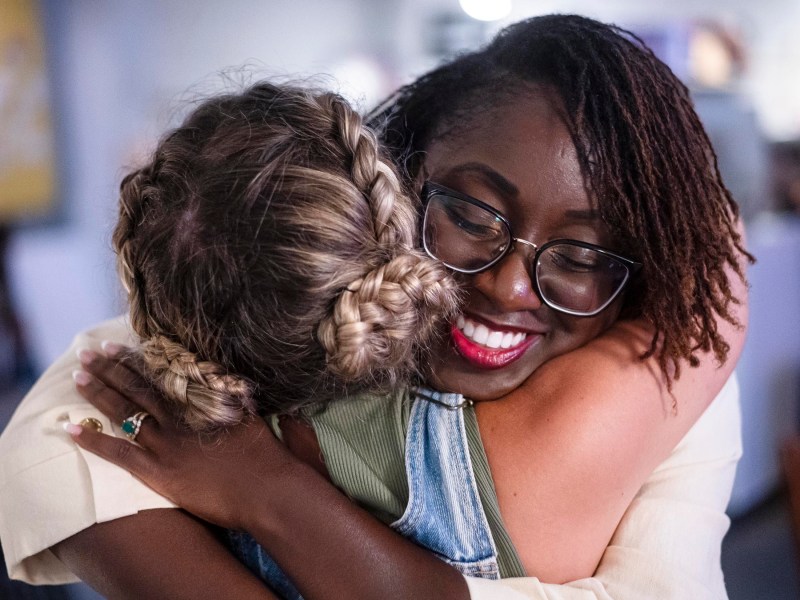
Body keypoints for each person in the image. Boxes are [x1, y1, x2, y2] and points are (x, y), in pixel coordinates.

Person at [0, 13, 750, 600]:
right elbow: (51, 440)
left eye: (584, 256)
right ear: (393, 179)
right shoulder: (258, 323)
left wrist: (264, 490)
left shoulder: (673, 388)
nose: (509, 286)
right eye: (471, 214)